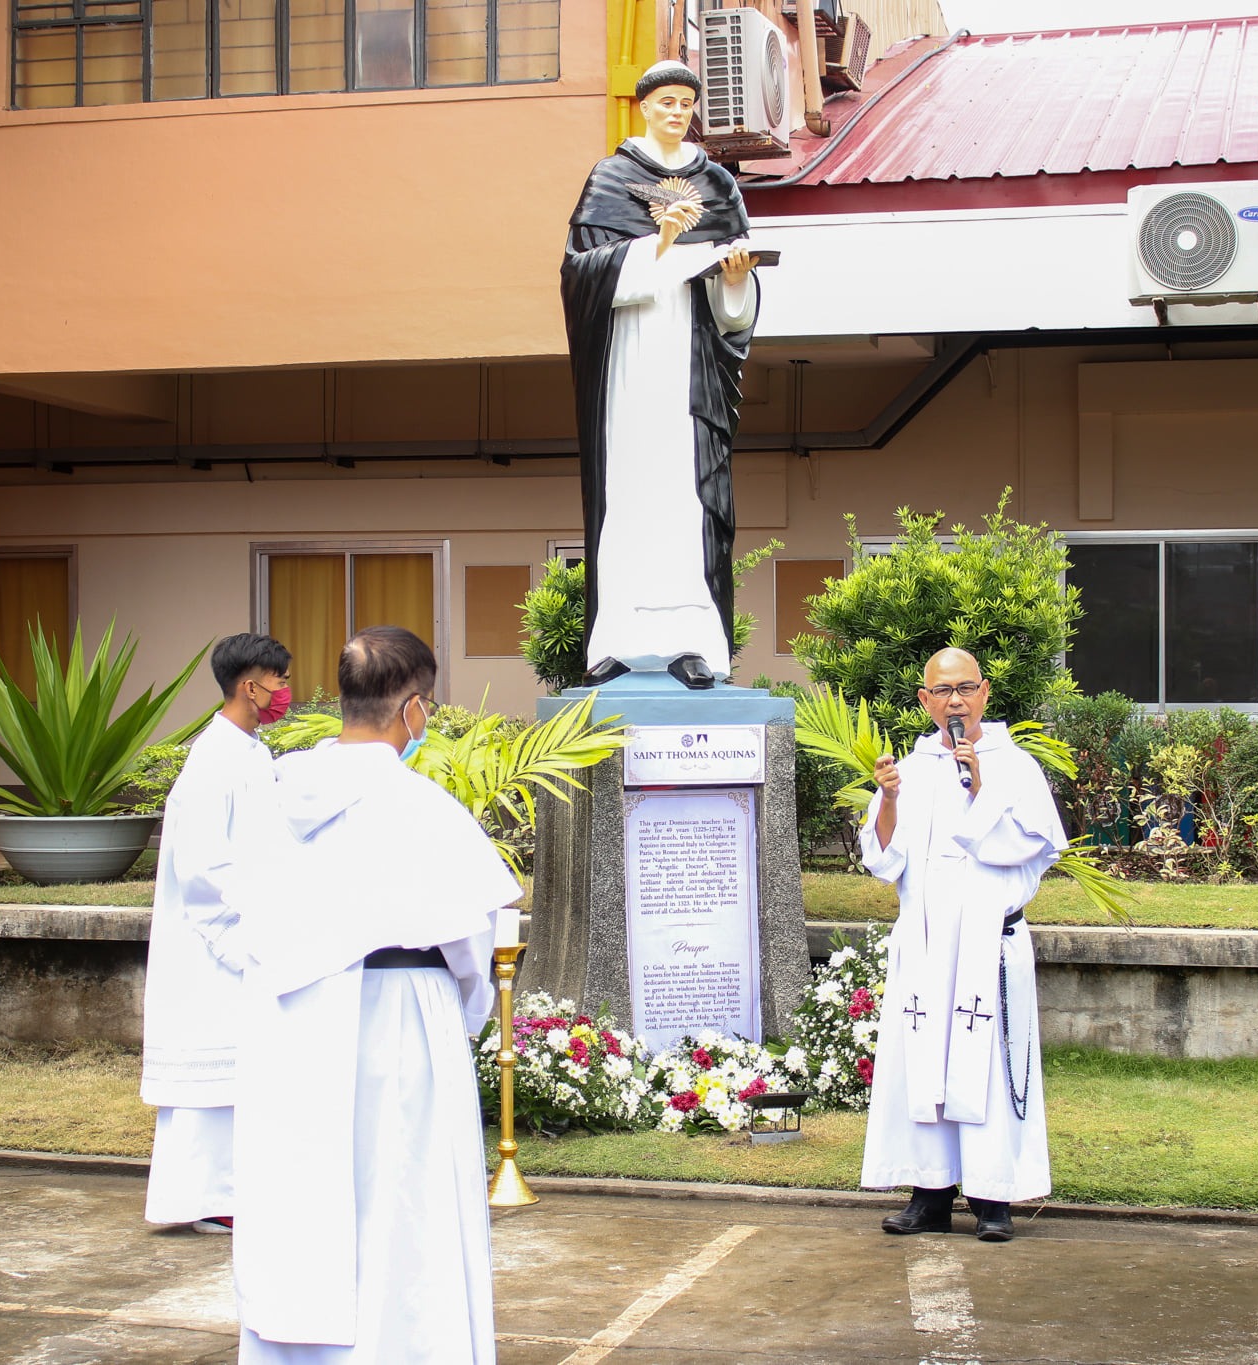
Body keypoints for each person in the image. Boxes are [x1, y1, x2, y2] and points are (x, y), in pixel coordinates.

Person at [220, 626, 517, 1363]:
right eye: (428, 708)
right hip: (401, 1018)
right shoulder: (423, 808)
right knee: (403, 1206)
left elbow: (234, 913)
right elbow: (472, 949)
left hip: (291, 1020)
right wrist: (463, 1016)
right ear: (412, 707)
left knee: (300, 1201)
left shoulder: (271, 795)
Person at [562, 58, 762, 691]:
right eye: (666, 102)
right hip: (628, 362)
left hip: (689, 363)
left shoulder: (717, 184)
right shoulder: (611, 178)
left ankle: (692, 639)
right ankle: (618, 641)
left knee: (686, 496)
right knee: (628, 491)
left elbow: (735, 294)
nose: (677, 112)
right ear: (644, 107)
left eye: (686, 103)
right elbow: (579, 275)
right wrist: (658, 245)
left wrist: (734, 281)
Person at [859, 648, 1066, 1241]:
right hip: (927, 948)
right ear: (924, 700)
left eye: (966, 688)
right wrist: (889, 799)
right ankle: (929, 1193)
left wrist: (978, 789)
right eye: (943, 691)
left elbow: (1028, 845)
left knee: (990, 1069)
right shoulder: (912, 769)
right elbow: (885, 860)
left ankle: (993, 1197)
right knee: (926, 1068)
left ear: (985, 693)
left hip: (986, 943)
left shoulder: (1014, 766)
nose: (955, 701)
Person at [138, 631, 292, 1234]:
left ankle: (233, 1193)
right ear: (249, 686)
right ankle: (207, 1199)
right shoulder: (213, 758)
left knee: (241, 1077)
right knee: (211, 1080)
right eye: (278, 681)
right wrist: (238, 939)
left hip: (249, 932)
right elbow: (202, 866)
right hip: (215, 944)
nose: (285, 692)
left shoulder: (252, 750)